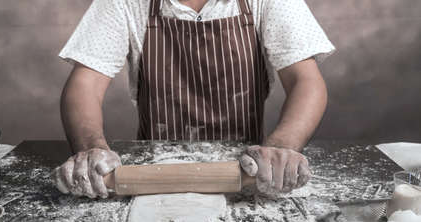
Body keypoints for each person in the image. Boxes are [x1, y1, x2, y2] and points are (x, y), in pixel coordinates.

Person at [53, 0, 335, 198]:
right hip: (155, 175)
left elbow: (306, 82)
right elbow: (85, 84)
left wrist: (282, 147)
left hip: (245, 174)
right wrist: (91, 150)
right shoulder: (124, 2)